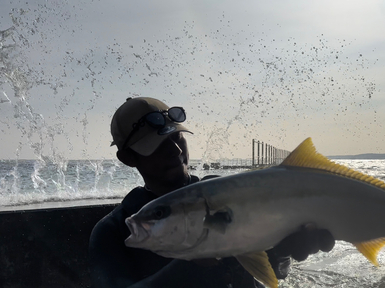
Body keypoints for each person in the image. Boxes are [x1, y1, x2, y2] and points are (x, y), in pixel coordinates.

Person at [89, 97, 335, 288]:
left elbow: (275, 272)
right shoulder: (113, 231)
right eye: (158, 146)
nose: (175, 151)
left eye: (178, 138)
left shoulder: (226, 195)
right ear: (128, 158)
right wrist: (194, 263)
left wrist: (284, 250)